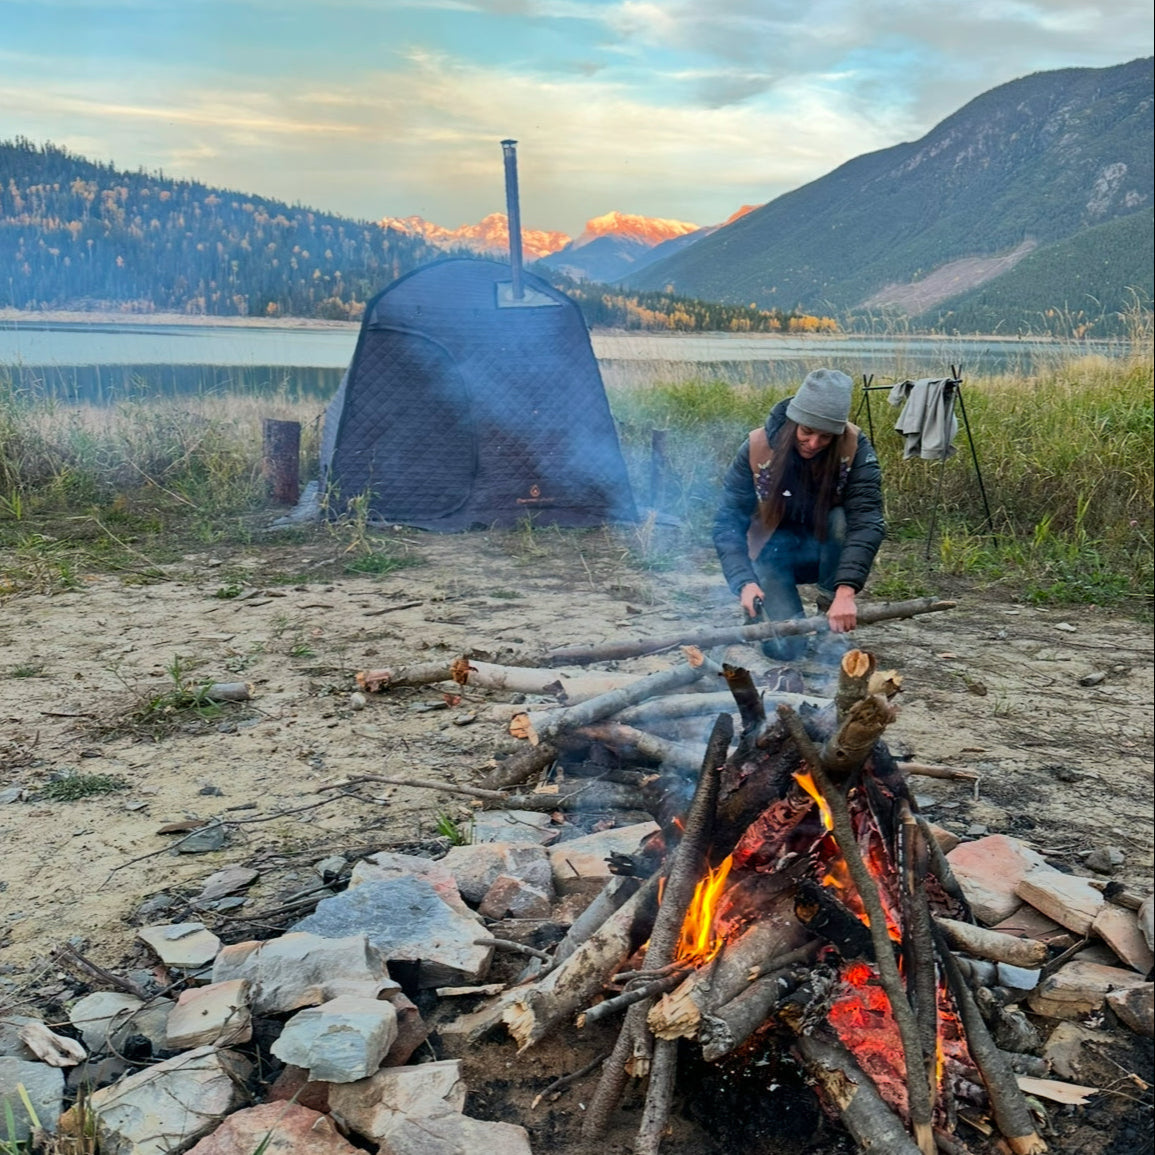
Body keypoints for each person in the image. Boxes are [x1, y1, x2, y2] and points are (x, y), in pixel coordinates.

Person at [712, 368, 885, 661]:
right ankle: (762, 612)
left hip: (823, 555)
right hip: (772, 556)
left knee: (841, 520)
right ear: (794, 421)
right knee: (786, 650)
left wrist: (845, 592)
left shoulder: (854, 448)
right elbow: (727, 521)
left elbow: (868, 520)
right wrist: (744, 580)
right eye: (806, 431)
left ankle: (828, 622)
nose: (814, 443)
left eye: (825, 436)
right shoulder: (757, 448)